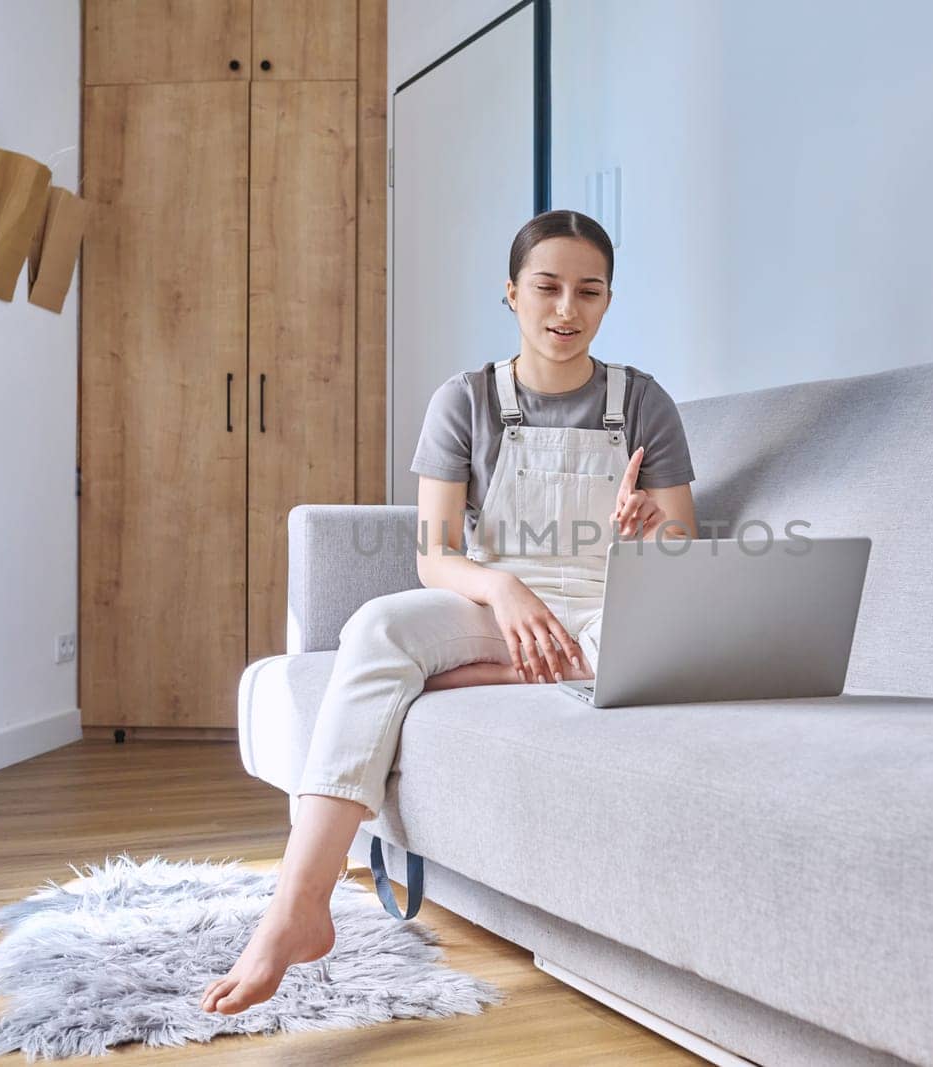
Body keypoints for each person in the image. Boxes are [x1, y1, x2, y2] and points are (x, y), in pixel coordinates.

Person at [200, 209, 698, 1014]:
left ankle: (496, 674)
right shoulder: (465, 401)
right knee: (378, 627)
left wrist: (650, 531)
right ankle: (299, 903)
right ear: (511, 293)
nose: (566, 309)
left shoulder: (645, 402)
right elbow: (434, 555)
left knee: (666, 646)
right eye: (547, 287)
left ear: (609, 300)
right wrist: (502, 587)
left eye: (588, 291)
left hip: (611, 605)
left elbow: (685, 548)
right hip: (497, 602)